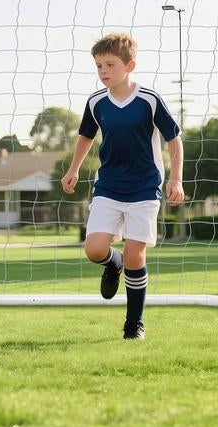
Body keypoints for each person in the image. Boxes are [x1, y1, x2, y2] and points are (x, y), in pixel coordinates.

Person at [61, 32, 184, 340]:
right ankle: (112, 264)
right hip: (109, 187)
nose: (103, 71)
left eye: (110, 64)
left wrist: (176, 178)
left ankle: (134, 324)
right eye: (99, 65)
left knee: (135, 253)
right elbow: (86, 137)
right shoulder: (95, 102)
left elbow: (174, 139)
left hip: (144, 188)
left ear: (130, 65)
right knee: (94, 249)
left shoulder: (149, 100)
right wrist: (73, 169)